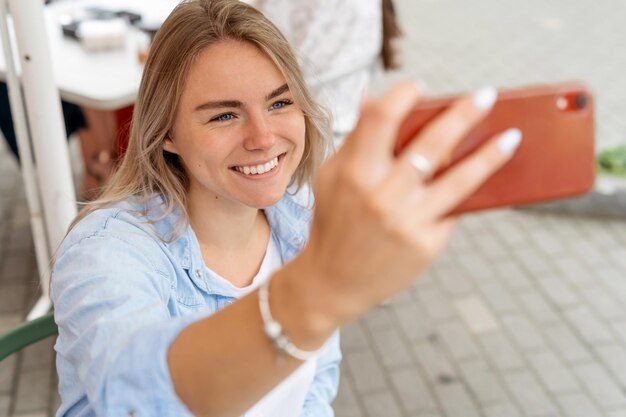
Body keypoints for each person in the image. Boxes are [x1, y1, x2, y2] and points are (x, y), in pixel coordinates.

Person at [51, 0, 522, 416]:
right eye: (224, 114)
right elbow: (136, 397)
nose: (262, 138)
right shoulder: (106, 249)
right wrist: (320, 287)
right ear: (166, 133)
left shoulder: (302, 220)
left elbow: (313, 388)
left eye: (280, 103)